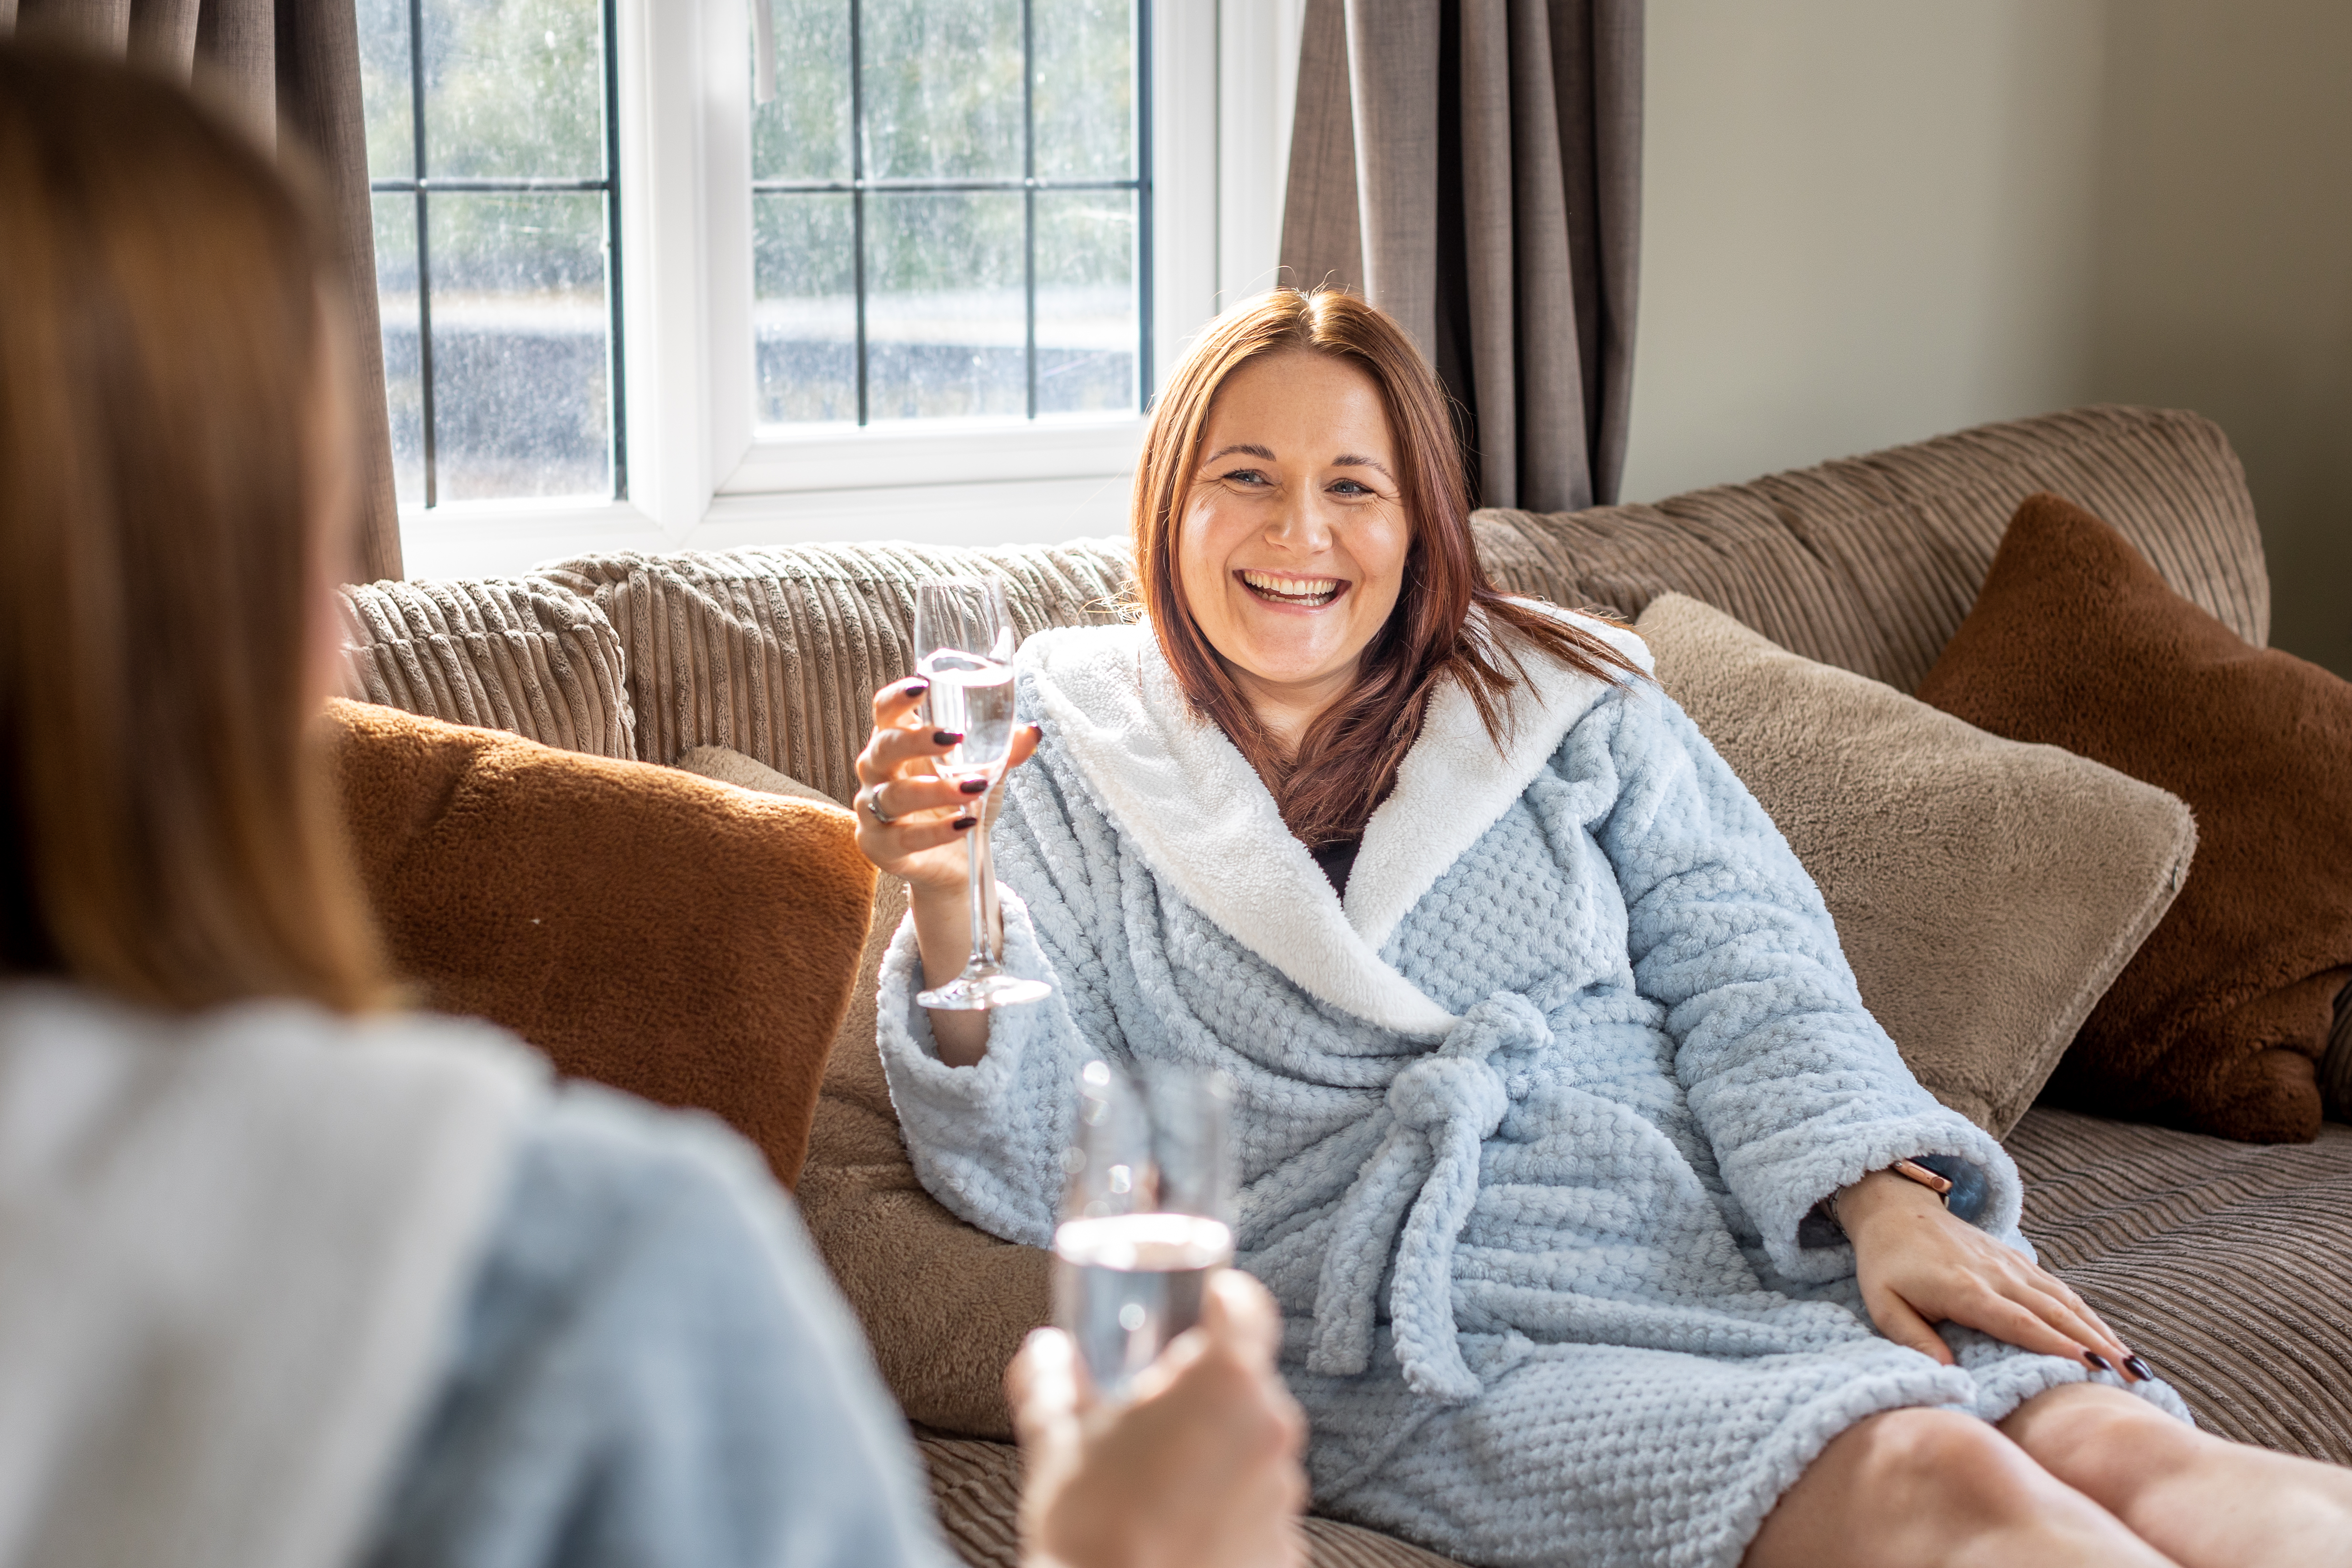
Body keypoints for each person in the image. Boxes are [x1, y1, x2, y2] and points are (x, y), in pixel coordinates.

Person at [0, 42, 1304, 1568]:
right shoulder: (580, 1283)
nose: (1301, 530)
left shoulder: (1575, 727)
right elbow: (1009, 1130)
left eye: (1356, 488)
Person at [854, 285, 2352, 1568]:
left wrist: (1882, 1196)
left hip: (1704, 1225)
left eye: (1353, 485)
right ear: (1168, 502)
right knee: (1934, 1471)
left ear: (1418, 516)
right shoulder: (1054, 755)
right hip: (1420, 1325)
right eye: (1242, 476)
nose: (1297, 531)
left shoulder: (1565, 698)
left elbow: (1753, 965)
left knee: (2111, 1436)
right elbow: (1022, 1172)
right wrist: (943, 891)